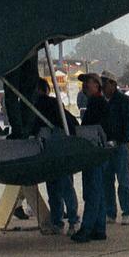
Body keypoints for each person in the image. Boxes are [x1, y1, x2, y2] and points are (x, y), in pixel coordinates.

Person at [24, 76, 79, 235]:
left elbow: (32, 128)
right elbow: (71, 122)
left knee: (55, 188)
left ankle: (59, 222)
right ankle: (72, 221)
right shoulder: (55, 104)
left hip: (50, 150)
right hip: (61, 149)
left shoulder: (37, 105)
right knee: (64, 187)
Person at [71, 74, 111, 243]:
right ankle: (99, 227)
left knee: (92, 191)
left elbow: (90, 128)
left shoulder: (96, 104)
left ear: (96, 85)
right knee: (99, 191)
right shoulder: (99, 103)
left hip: (94, 150)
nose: (84, 87)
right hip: (100, 150)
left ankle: (87, 228)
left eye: (87, 83)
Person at [101, 72, 129, 225]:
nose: (102, 88)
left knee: (124, 180)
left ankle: (126, 211)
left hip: (120, 145)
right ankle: (110, 212)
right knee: (106, 181)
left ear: (112, 84)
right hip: (105, 146)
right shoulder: (101, 102)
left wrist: (123, 140)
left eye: (104, 84)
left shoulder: (124, 101)